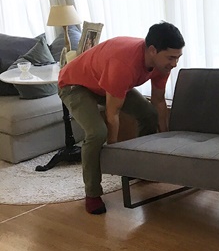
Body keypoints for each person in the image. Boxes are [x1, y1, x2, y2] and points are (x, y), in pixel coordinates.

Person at [58, 22, 185, 215]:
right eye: (171, 57)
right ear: (152, 50)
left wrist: (165, 139)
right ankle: (92, 193)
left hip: (104, 82)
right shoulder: (124, 63)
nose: (174, 64)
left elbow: (159, 102)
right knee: (97, 133)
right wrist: (114, 153)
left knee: (149, 114)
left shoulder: (162, 65)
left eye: (178, 58)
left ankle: (142, 169)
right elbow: (112, 114)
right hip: (75, 84)